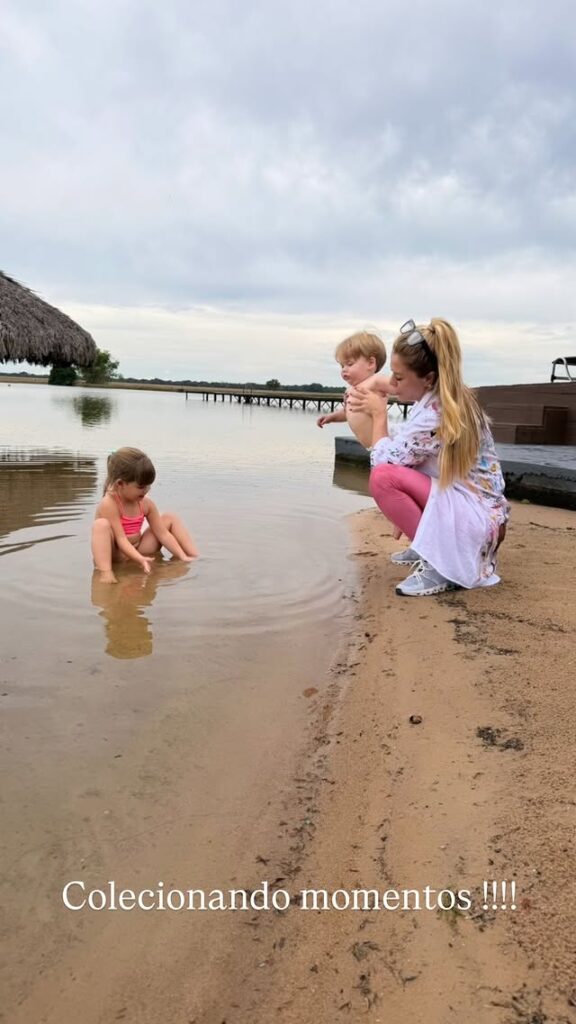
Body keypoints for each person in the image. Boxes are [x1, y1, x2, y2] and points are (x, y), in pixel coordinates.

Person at [347, 318, 509, 597]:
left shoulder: (437, 413)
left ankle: (440, 565)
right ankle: (428, 543)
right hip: (485, 518)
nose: (392, 384)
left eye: (398, 377)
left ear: (429, 379)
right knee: (396, 470)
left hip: (477, 525)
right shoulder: (444, 401)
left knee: (383, 478)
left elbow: (383, 462)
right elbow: (407, 443)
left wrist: (379, 414)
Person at [91, 447, 198, 583]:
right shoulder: (109, 503)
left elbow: (163, 534)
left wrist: (181, 556)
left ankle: (193, 556)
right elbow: (121, 539)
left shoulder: (146, 504)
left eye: (148, 486)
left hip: (139, 548)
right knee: (101, 525)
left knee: (170, 518)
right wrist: (139, 559)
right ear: (120, 484)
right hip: (115, 555)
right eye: (141, 487)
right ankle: (106, 573)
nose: (146, 491)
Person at [317, 330, 393, 449]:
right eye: (342, 366)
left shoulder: (375, 382)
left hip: (387, 443)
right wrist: (331, 417)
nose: (344, 369)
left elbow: (401, 387)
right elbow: (348, 413)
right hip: (372, 448)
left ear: (371, 363)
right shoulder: (350, 390)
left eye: (349, 364)